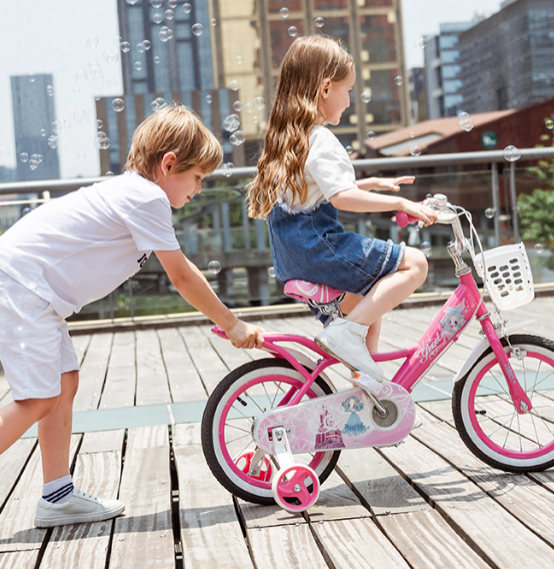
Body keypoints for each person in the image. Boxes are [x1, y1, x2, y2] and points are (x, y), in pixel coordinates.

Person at [0, 105, 263, 528]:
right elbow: (181, 275)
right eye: (197, 178)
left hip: (32, 291)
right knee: (38, 398)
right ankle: (57, 495)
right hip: (22, 287)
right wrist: (233, 323)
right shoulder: (147, 196)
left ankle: (57, 495)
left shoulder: (133, 192)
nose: (198, 189)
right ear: (169, 164)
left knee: (63, 383)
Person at [247, 35, 436, 383]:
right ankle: (345, 338)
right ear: (325, 88)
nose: (350, 101)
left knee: (366, 310)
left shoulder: (292, 139)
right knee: (416, 263)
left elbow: (312, 193)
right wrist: (399, 201)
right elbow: (340, 199)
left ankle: (367, 393)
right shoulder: (321, 139)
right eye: (348, 90)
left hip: (294, 258)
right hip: (320, 249)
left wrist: (371, 183)